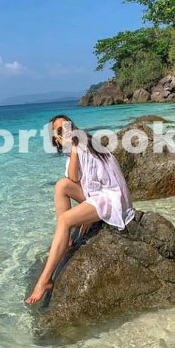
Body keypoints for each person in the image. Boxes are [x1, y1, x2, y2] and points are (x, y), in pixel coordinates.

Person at [25, 114, 135, 304]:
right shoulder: (76, 149)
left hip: (112, 199)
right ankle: (66, 240)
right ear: (56, 139)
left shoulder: (83, 146)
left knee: (65, 220)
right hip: (99, 194)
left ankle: (45, 280)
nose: (67, 131)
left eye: (68, 126)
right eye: (60, 130)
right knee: (61, 185)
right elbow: (76, 182)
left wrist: (87, 215)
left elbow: (76, 178)